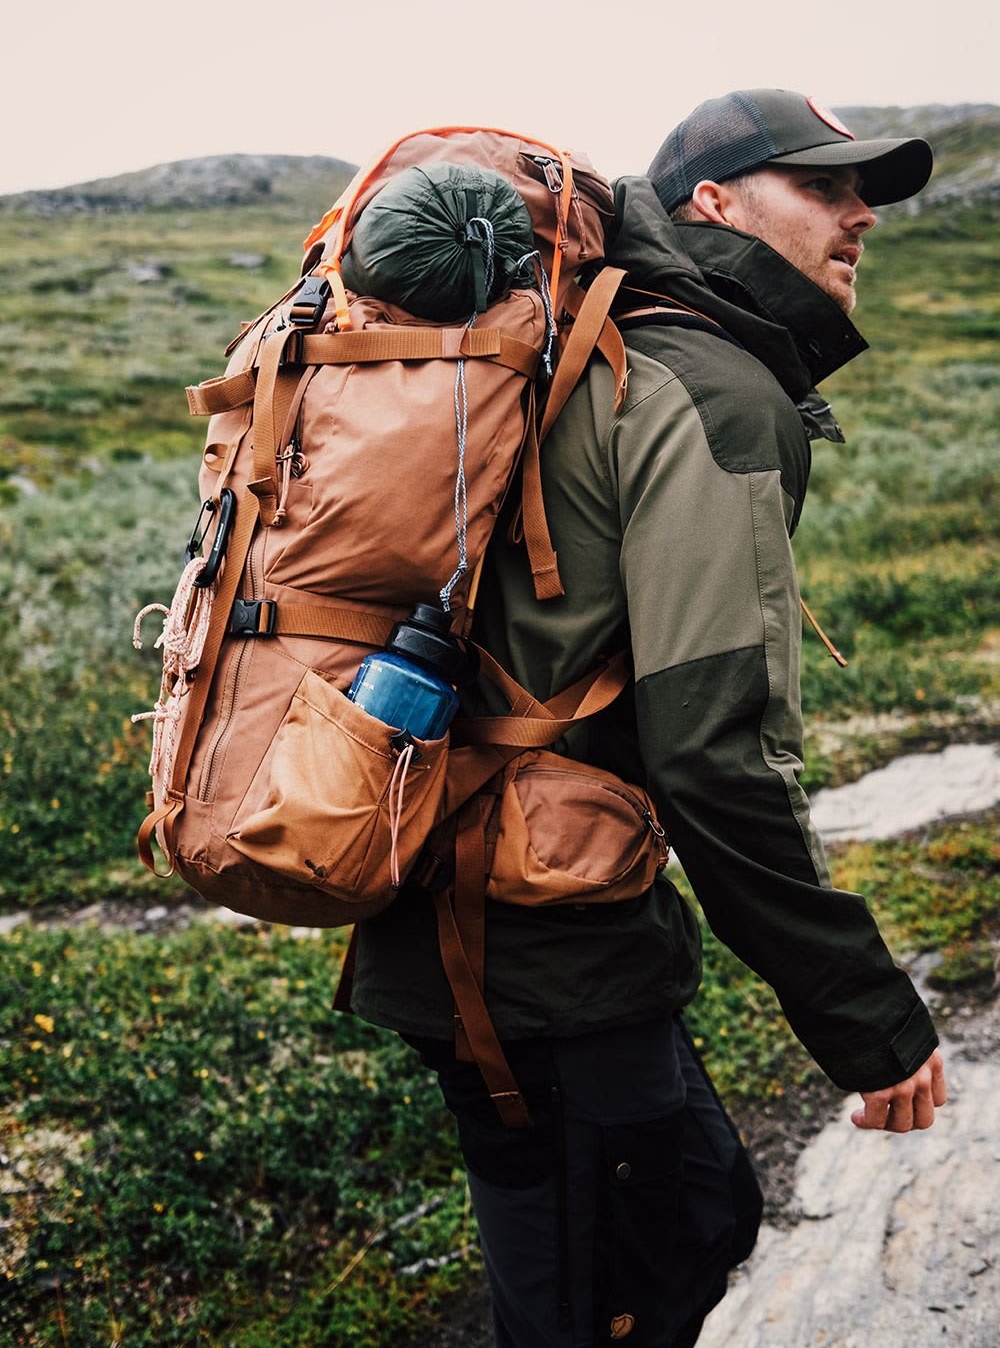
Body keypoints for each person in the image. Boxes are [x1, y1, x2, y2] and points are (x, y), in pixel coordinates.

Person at [346, 89, 948, 1347]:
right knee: (620, 1277)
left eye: (870, 194)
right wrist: (866, 1018)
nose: (862, 217)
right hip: (535, 934)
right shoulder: (713, 388)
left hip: (474, 899)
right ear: (712, 206)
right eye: (825, 187)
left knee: (665, 1228)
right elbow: (713, 754)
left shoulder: (603, 344)